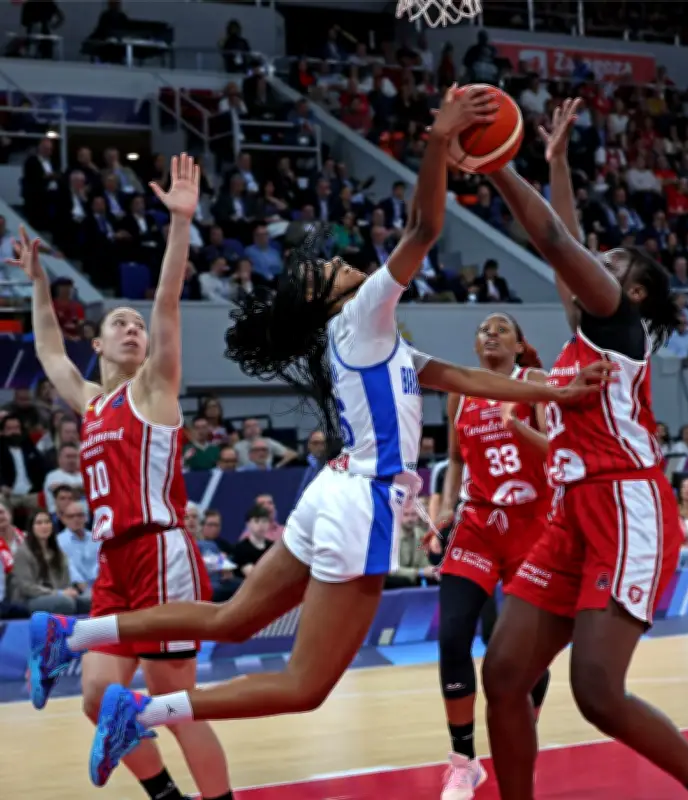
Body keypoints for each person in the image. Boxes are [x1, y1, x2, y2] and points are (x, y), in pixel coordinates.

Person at [26, 88, 611, 789]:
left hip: (331, 491)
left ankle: (73, 635)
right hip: (360, 499)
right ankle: (143, 712)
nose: (348, 263)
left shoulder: (380, 341)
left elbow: (462, 377)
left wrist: (551, 392)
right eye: (334, 266)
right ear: (333, 291)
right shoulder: (363, 316)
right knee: (306, 686)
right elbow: (424, 228)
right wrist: (437, 142)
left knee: (232, 618)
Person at [479, 98, 688, 799]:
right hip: (571, 510)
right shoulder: (584, 331)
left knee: (597, 692)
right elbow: (566, 240)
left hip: (625, 505)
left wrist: (496, 163)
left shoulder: (619, 324)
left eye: (608, 261)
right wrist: (557, 164)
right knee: (503, 674)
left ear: (630, 289)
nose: (590, 262)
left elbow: (556, 241)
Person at [14, 154, 232, 800]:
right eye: (120, 324)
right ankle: (167, 796)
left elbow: (166, 301)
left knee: (175, 699)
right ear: (99, 344)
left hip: (160, 552)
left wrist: (180, 224)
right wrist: (38, 283)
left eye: (137, 326)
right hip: (114, 563)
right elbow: (48, 349)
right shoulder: (91, 402)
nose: (134, 329)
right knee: (95, 695)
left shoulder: (155, 388)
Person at [436, 313, 552, 799]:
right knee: (452, 637)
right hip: (479, 525)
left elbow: (558, 452)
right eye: (483, 329)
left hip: (533, 525)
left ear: (520, 345)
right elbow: (455, 459)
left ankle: (521, 735)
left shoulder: (536, 382)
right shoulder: (459, 391)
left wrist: (518, 428)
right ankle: (464, 762)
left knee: (523, 652)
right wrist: (445, 508)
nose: (490, 333)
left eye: (502, 328)